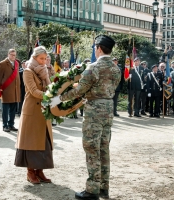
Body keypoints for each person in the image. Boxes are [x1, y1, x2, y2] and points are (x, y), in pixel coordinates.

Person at [50, 35, 121, 200]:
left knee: (91, 149)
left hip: (94, 110)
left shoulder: (93, 68)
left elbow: (78, 91)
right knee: (104, 148)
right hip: (108, 109)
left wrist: (58, 99)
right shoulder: (116, 69)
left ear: (99, 48)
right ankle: (104, 187)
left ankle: (92, 190)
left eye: (95, 47)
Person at [14, 46, 53, 184]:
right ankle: (30, 172)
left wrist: (55, 91)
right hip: (32, 110)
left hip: (43, 110)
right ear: (35, 57)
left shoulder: (44, 72)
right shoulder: (28, 71)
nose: (44, 61)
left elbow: (50, 86)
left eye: (45, 59)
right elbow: (33, 91)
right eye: (41, 59)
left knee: (44, 142)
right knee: (31, 142)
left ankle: (40, 171)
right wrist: (50, 96)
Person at [0, 49, 20, 132]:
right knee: (5, 109)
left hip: (15, 90)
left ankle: (11, 124)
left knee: (13, 109)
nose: (13, 56)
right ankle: (5, 125)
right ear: (8, 54)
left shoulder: (17, 63)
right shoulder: (2, 64)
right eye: (12, 54)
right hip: (6, 89)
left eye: (14, 55)